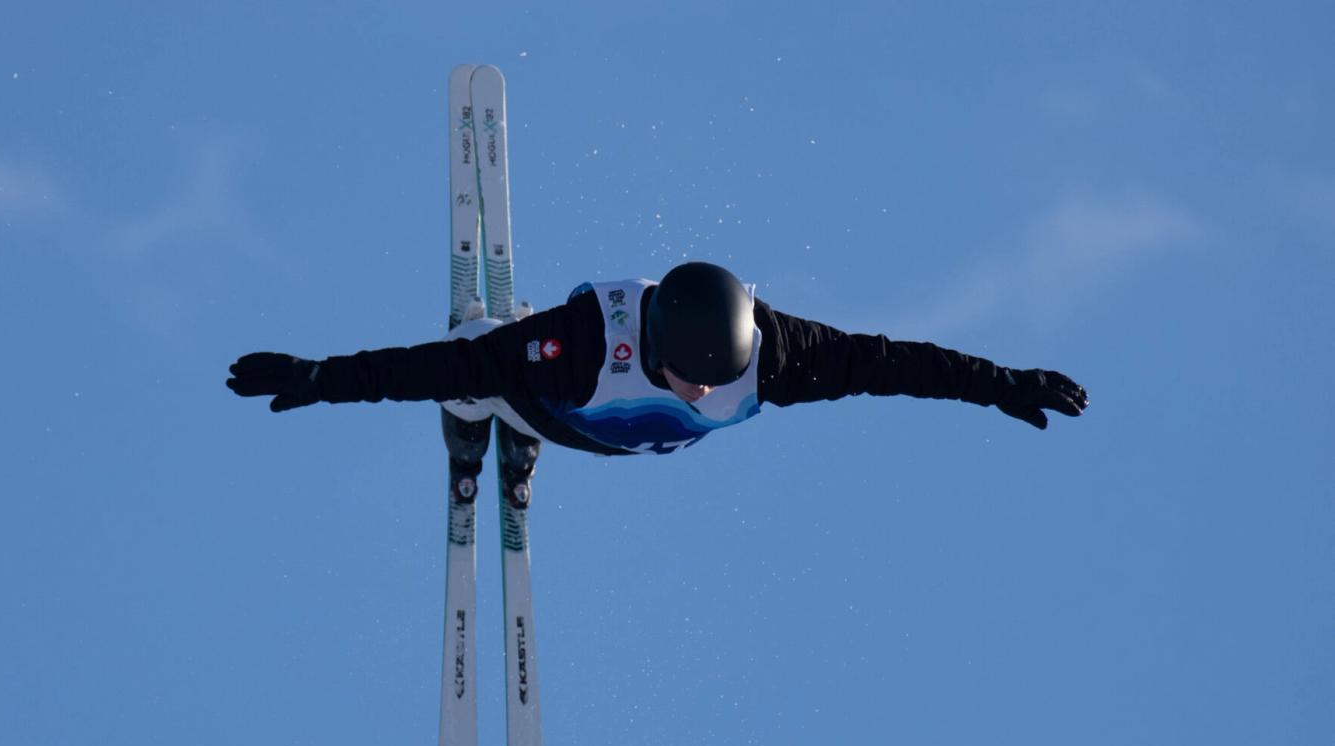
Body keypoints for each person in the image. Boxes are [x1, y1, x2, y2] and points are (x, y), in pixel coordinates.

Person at [225, 261, 1089, 459]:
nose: (709, 388)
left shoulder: (778, 354)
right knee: (468, 362)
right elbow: (419, 372)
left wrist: (1002, 385)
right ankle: (489, 417)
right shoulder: (578, 348)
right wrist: (319, 379)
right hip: (563, 408)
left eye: (720, 374)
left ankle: (505, 412)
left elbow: (893, 363)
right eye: (693, 376)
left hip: (628, 442)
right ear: (655, 348)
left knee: (490, 366)